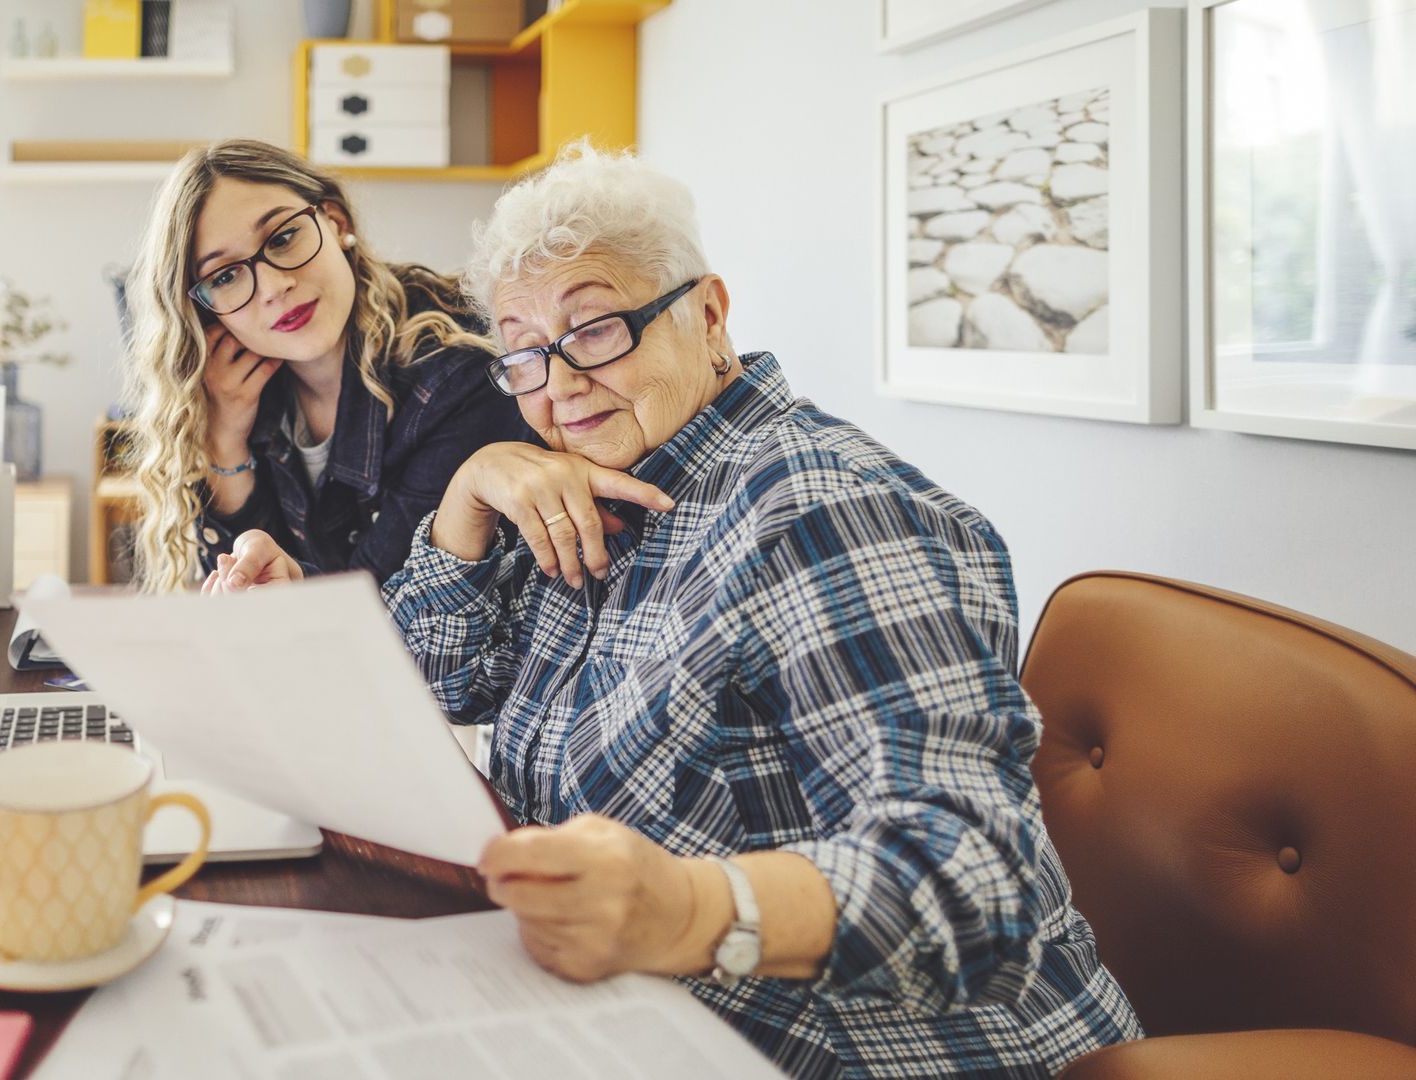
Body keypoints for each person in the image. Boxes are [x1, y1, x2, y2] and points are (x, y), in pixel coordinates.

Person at [207, 144, 1143, 1077]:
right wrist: (465, 504)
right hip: (635, 1017)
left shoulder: (817, 508)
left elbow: (982, 877)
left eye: (597, 328)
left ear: (707, 315)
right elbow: (446, 681)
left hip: (855, 1051)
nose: (560, 384)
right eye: (524, 355)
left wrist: (691, 908)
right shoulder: (615, 485)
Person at [121, 139, 527, 590]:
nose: (274, 286)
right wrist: (225, 443)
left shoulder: (454, 375)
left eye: (282, 237)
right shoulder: (237, 388)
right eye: (225, 276)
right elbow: (252, 589)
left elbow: (384, 606)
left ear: (336, 223)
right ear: (204, 310)